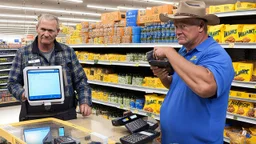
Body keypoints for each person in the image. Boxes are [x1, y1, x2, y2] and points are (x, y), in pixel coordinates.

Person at [151, 1, 234, 144]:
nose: (177, 32)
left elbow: (205, 87)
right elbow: (181, 87)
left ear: (201, 26)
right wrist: (164, 78)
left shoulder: (217, 55)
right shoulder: (184, 52)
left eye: (183, 26)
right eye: (176, 26)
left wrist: (169, 52)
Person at [7, 14, 92, 121]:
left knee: (67, 138)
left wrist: (85, 100)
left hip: (65, 113)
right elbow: (12, 83)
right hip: (34, 114)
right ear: (37, 29)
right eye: (43, 29)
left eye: (51, 30)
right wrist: (23, 94)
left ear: (57, 32)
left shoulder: (67, 52)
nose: (46, 34)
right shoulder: (23, 53)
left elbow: (81, 81)